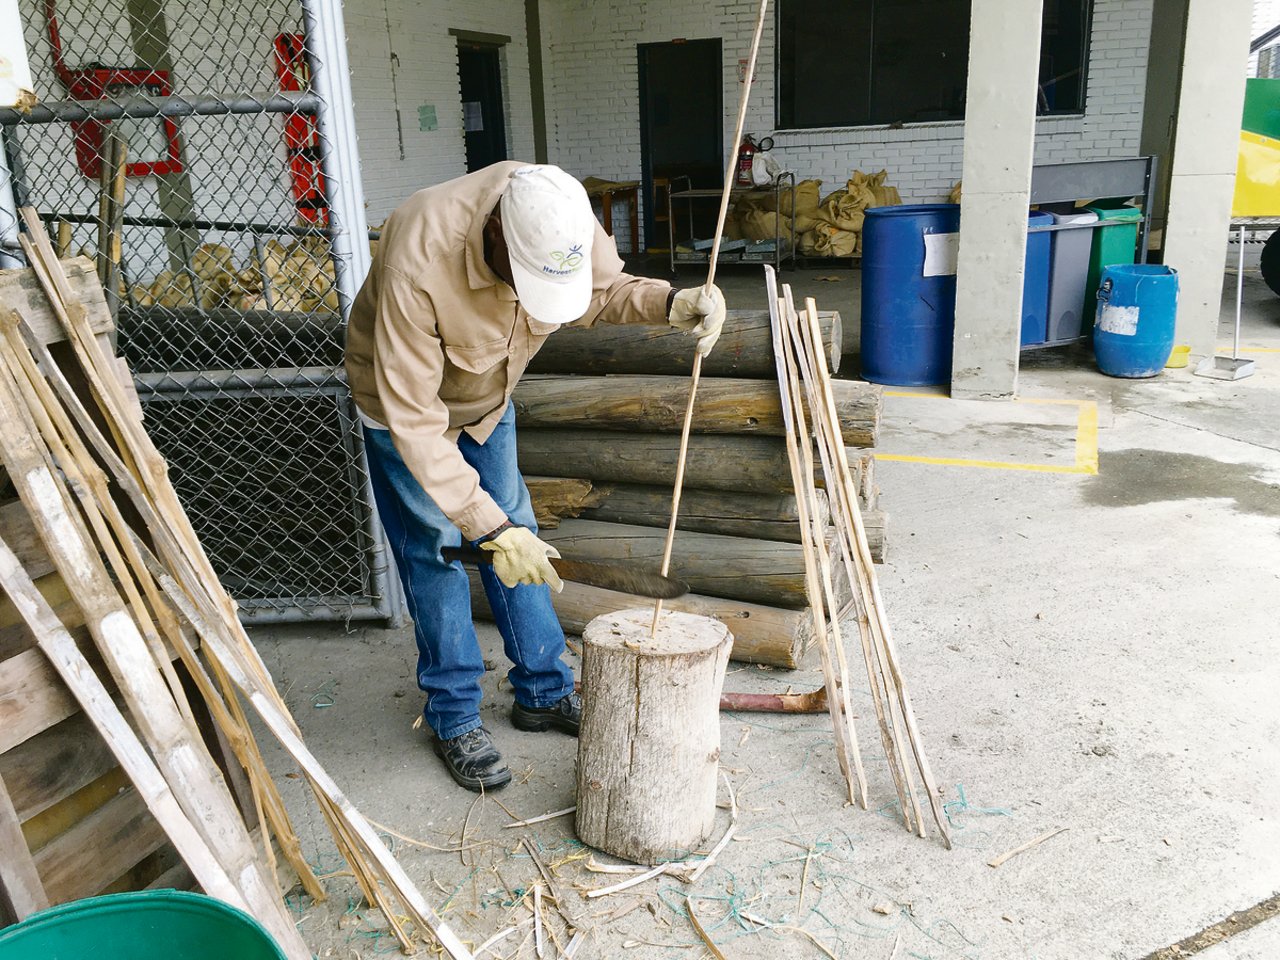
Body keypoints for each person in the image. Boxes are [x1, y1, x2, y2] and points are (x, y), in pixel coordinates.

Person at [344, 161, 726, 791]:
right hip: (403, 412)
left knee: (521, 536)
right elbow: (415, 420)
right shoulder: (420, 256)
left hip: (488, 401)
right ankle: (454, 715)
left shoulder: (562, 213)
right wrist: (485, 526)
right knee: (436, 549)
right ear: (496, 233)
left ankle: (543, 691)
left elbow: (602, 291)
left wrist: (668, 301)